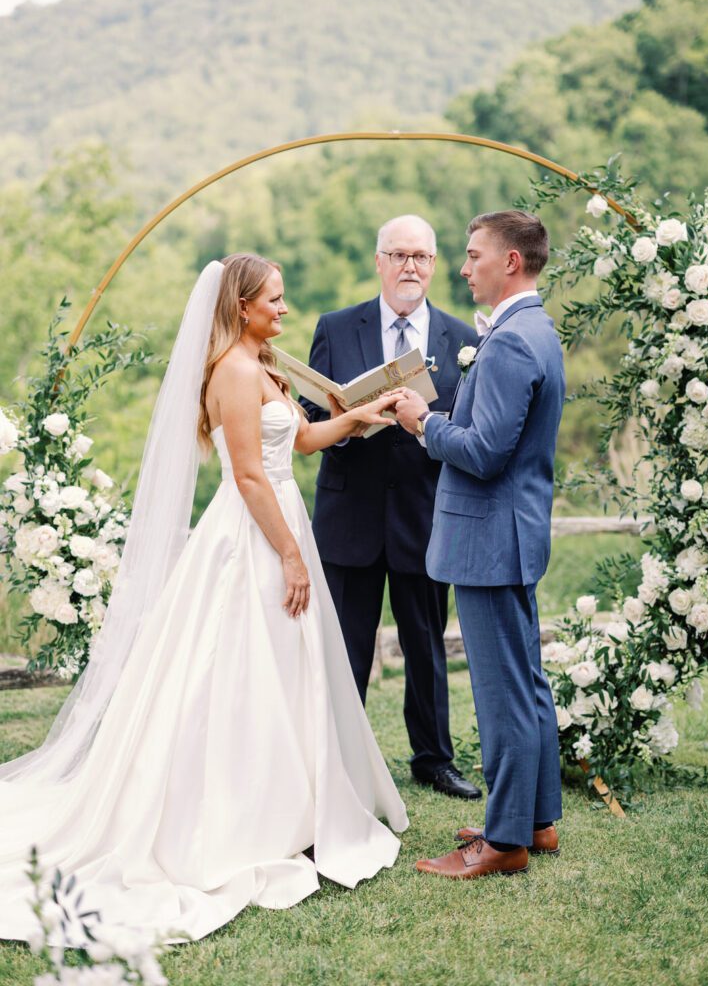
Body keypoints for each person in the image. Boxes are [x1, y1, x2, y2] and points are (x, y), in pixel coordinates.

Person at [0, 254, 408, 946]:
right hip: (251, 536)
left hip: (280, 524)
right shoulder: (236, 370)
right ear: (240, 305)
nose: (284, 309)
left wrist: (363, 415)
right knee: (233, 670)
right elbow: (248, 475)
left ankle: (293, 804)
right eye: (272, 300)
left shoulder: (262, 363)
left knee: (281, 669)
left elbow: (300, 442)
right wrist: (285, 553)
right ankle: (234, 813)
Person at [395, 211, 565, 878]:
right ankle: (536, 821)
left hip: (490, 538)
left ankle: (502, 842)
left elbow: (484, 453)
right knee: (526, 683)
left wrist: (422, 422)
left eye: (472, 256)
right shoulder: (532, 329)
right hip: (510, 534)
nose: (463, 269)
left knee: (501, 694)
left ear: (510, 263)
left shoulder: (512, 342)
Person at [300, 215, 482, 801]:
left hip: (426, 514)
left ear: (435, 265)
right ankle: (337, 757)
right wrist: (349, 423)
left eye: (422, 257)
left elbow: (474, 427)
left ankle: (434, 759)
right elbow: (306, 416)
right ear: (379, 261)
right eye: (399, 255)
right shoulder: (335, 326)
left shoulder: (462, 340)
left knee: (427, 646)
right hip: (349, 513)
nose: (411, 266)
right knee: (345, 646)